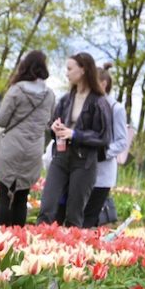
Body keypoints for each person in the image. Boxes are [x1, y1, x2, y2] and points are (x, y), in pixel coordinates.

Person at [37, 52, 111, 228]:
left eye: (70, 69)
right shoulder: (65, 99)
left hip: (84, 162)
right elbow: (54, 125)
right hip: (61, 157)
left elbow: (104, 137)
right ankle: (38, 248)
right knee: (47, 206)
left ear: (83, 70)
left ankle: (70, 251)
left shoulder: (99, 102)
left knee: (74, 213)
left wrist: (76, 135)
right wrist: (54, 128)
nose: (67, 73)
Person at [0, 50, 55, 226]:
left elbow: (3, 120)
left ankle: (0, 241)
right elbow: (49, 121)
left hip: (11, 147)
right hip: (34, 149)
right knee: (21, 198)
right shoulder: (49, 95)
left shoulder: (17, 90)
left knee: (4, 197)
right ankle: (17, 241)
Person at [83, 63, 129, 227]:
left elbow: (122, 141)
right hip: (82, 169)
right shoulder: (86, 104)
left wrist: (101, 154)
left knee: (89, 217)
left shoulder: (116, 108)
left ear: (103, 84)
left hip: (102, 173)